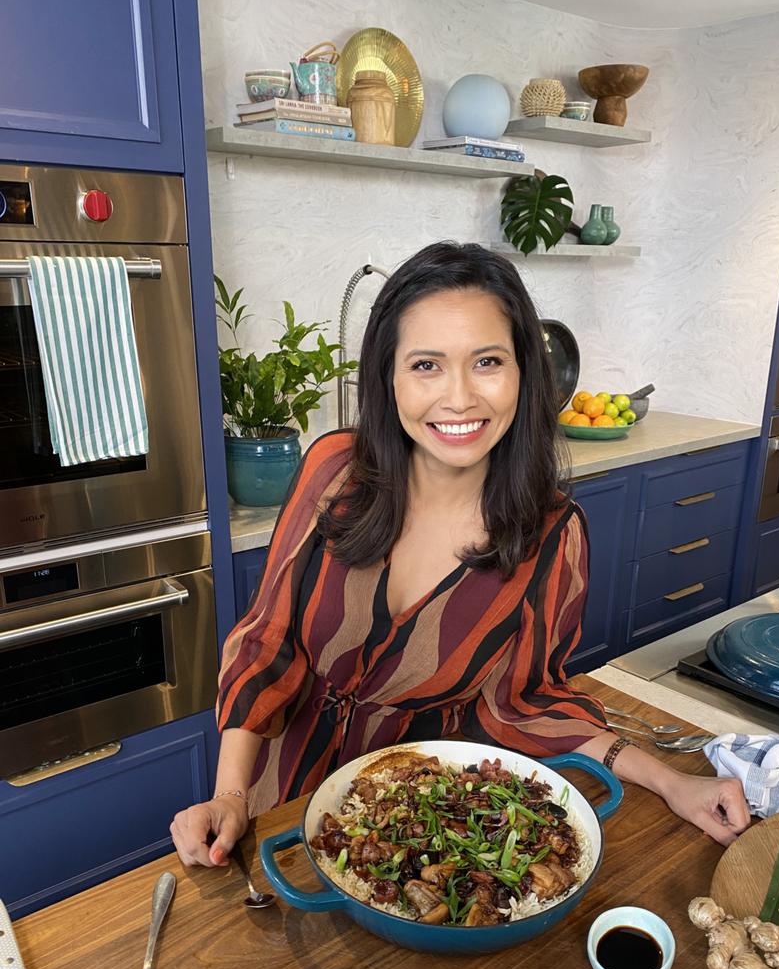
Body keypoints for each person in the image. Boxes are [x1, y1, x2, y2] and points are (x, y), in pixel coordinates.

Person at [171, 241, 749, 867]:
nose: (460, 398)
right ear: (387, 377)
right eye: (426, 365)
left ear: (524, 373)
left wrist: (672, 781)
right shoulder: (334, 471)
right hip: (274, 797)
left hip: (411, 821)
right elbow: (265, 641)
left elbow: (529, 702)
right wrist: (229, 793)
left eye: (487, 362)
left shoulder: (550, 533)